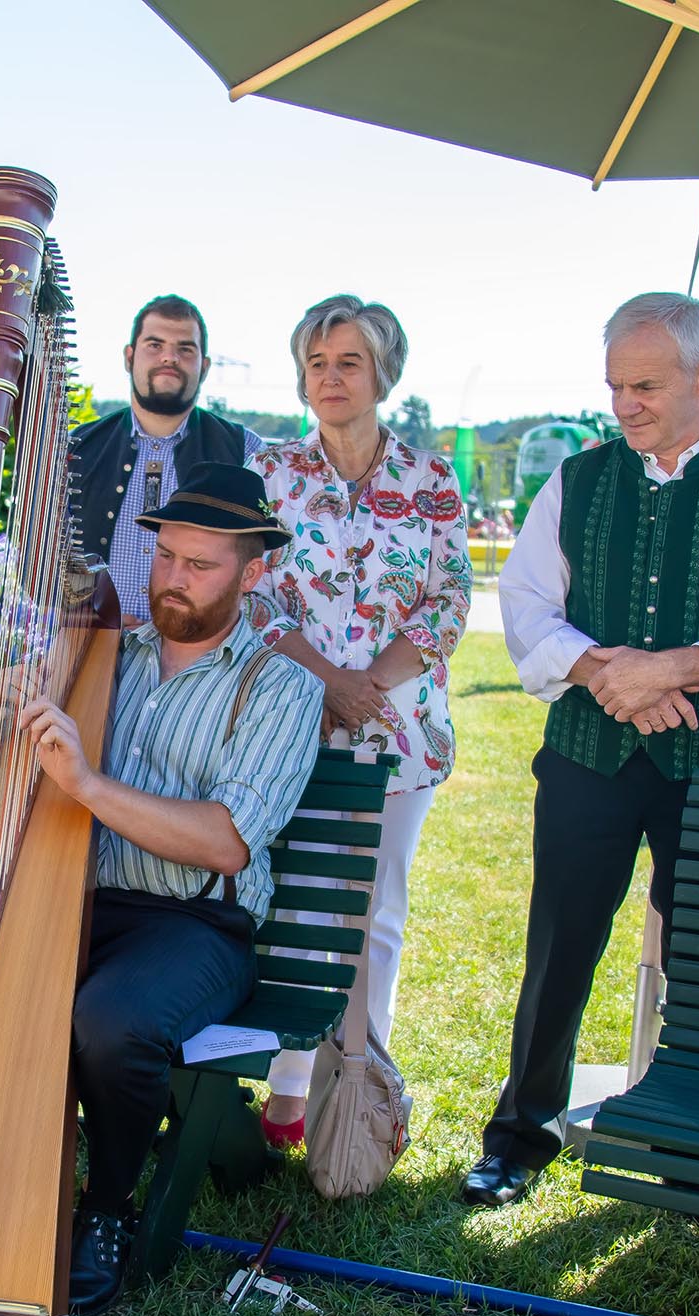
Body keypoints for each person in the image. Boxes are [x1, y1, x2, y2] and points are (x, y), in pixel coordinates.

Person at [0, 462, 325, 1315]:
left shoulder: (282, 686)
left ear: (253, 573)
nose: (173, 578)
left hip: (195, 923)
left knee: (111, 1020)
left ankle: (106, 1208)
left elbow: (226, 839)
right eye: (165, 556)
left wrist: (89, 785)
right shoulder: (101, 652)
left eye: (200, 565)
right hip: (71, 901)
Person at [476, 292, 699, 1208]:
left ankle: (689, 1142)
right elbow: (526, 602)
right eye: (616, 386)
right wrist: (605, 672)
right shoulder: (576, 478)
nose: (625, 405)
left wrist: (669, 669)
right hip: (587, 752)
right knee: (560, 945)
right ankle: (522, 1132)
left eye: (646, 387)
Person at [245, 294, 469, 1146]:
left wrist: (368, 684)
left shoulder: (430, 478)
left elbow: (450, 598)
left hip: (400, 729)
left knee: (377, 910)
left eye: (349, 362)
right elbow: (254, 593)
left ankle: (360, 1087)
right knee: (297, 905)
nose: (330, 377)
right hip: (291, 721)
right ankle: (286, 1083)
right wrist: (330, 682)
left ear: (383, 374)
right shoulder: (272, 474)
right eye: (317, 363)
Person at [68, 294, 262, 625]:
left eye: (185, 349)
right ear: (129, 357)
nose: (169, 357)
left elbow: (261, 570)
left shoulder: (245, 450)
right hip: (91, 644)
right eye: (154, 345)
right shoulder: (78, 447)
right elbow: (40, 561)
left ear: (204, 367)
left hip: (202, 651)